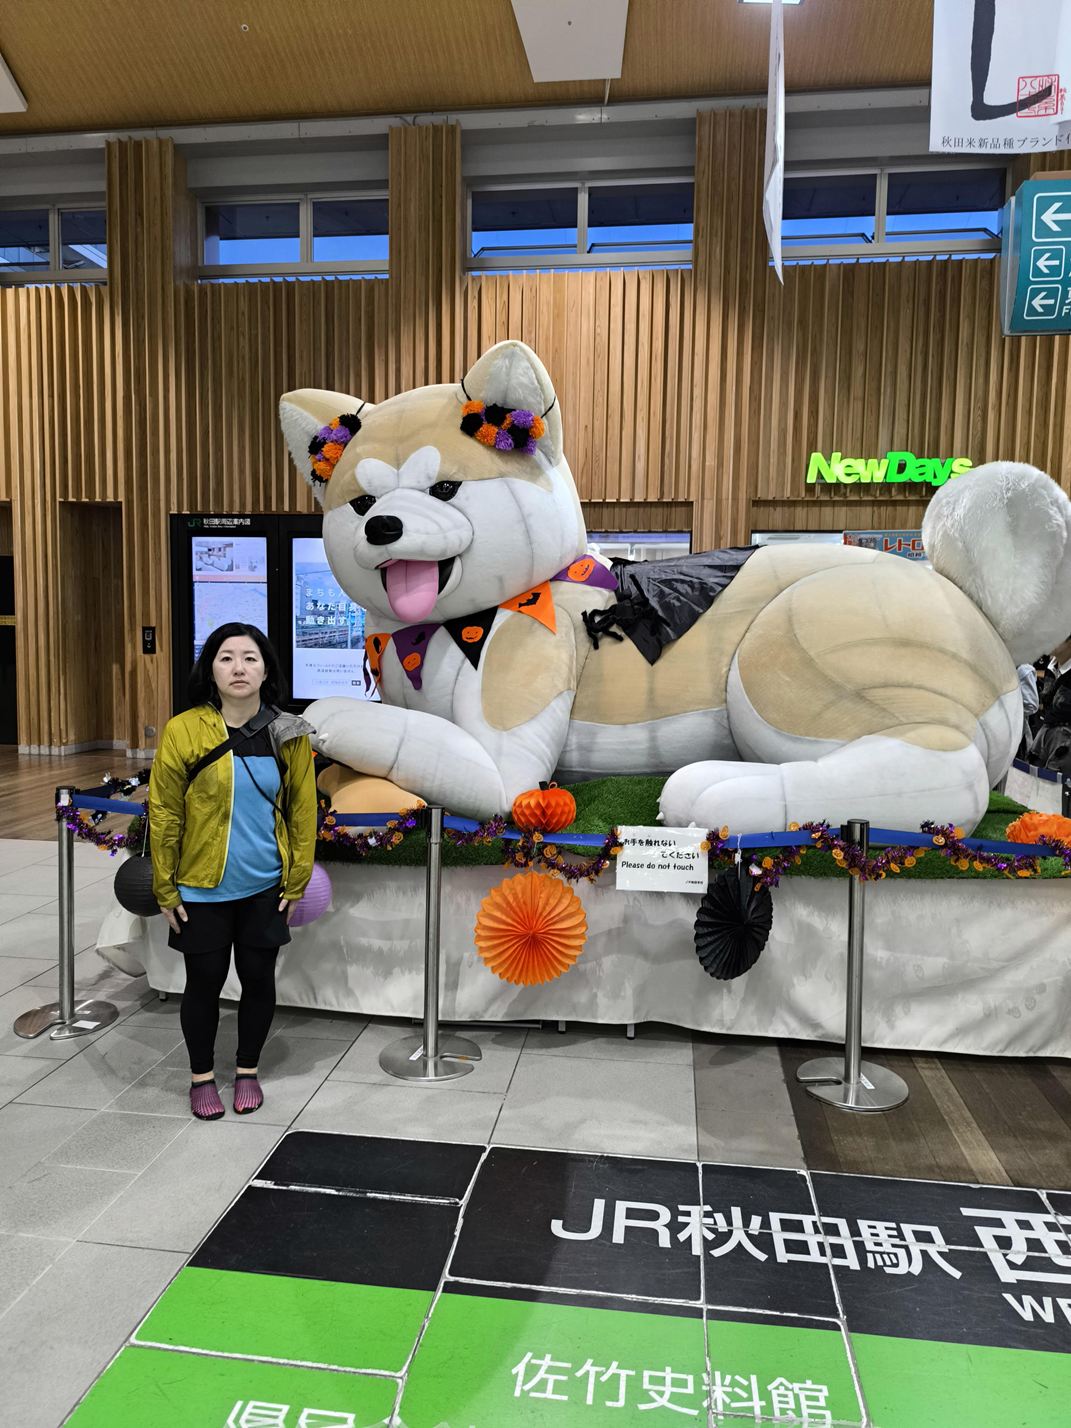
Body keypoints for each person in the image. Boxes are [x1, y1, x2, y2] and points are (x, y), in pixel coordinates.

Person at [148, 624, 317, 1120]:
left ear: (266, 670)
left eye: (249, 658)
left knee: (258, 979)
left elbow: (302, 812)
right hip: (200, 886)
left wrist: (296, 880)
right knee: (203, 981)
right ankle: (201, 1077)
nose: (239, 668)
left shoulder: (287, 732)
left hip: (265, 884)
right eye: (226, 658)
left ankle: (247, 1070)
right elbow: (164, 811)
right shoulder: (184, 730)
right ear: (211, 670)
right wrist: (165, 886)